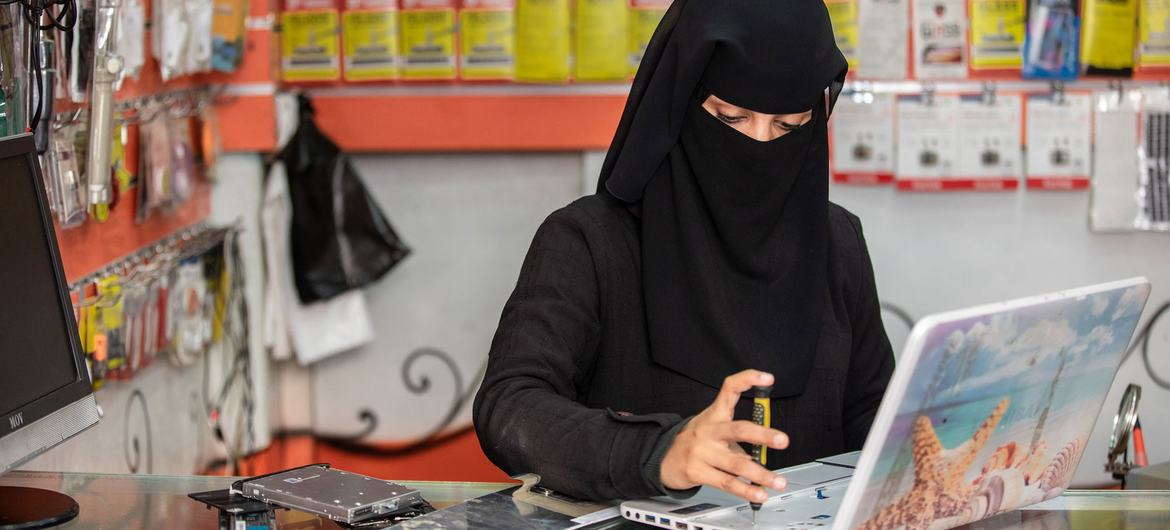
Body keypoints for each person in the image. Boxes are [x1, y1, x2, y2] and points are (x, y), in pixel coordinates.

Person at [472, 0, 895, 503]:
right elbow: (510, 406)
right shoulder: (589, 240)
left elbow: (876, 418)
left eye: (789, 127)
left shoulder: (837, 243)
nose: (759, 144)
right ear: (679, 104)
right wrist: (659, 452)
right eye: (732, 118)